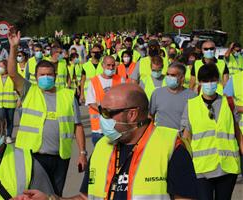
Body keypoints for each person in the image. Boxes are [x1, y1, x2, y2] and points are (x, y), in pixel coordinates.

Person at [14, 84, 198, 200]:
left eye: (108, 113)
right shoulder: (102, 146)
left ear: (132, 114)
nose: (103, 119)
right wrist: (50, 199)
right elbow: (86, 197)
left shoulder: (170, 146)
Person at [7, 29, 87, 196]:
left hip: (60, 158)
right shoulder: (29, 90)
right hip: (33, 156)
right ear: (35, 77)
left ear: (55, 75)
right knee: (34, 195)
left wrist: (82, 153)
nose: (46, 77)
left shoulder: (67, 95)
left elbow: (77, 126)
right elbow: (13, 74)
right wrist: (13, 48)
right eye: (42, 75)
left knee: (55, 195)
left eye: (49, 74)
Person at [182, 63, 242, 200]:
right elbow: (186, 136)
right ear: (200, 82)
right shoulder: (191, 105)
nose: (209, 84)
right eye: (206, 81)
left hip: (228, 166)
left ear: (218, 81)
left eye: (213, 80)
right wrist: (185, 163)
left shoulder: (228, 102)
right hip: (202, 168)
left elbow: (237, 132)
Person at [86, 56, 124, 145]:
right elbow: (91, 102)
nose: (111, 68)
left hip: (116, 128)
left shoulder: (120, 80)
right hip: (99, 129)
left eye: (113, 65)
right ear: (102, 66)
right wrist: (104, 111)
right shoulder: (94, 81)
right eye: (108, 65)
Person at [149, 62, 196, 130]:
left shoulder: (192, 96)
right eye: (167, 74)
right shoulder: (157, 93)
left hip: (180, 138)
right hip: (159, 137)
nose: (169, 77)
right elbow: (150, 116)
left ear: (182, 78)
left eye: (173, 75)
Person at [0, 60, 17, 144]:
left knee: (10, 120)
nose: (0, 68)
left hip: (10, 103)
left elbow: (16, 89)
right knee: (0, 119)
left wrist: (19, 100)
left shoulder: (12, 77)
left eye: (2, 66)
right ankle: (2, 135)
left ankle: (8, 136)